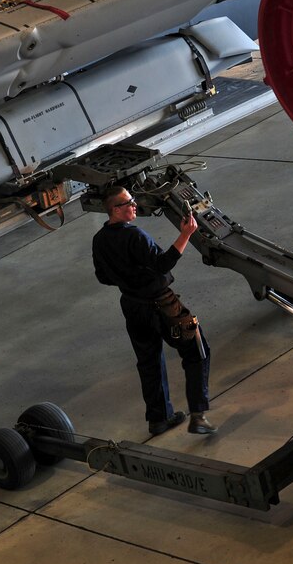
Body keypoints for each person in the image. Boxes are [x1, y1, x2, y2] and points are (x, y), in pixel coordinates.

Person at [92, 186, 216, 435]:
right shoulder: (134, 236)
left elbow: (103, 277)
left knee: (149, 361)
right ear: (115, 209)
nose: (135, 205)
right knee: (196, 349)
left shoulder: (100, 239)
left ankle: (159, 420)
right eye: (129, 202)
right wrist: (186, 234)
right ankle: (199, 416)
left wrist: (129, 278)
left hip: (131, 305)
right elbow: (163, 264)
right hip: (162, 303)